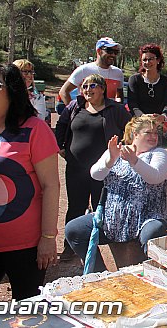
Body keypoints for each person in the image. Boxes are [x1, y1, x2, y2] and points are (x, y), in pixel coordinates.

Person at [0, 63, 60, 312]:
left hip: (25, 247)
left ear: (11, 90)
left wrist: (48, 238)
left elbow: (50, 186)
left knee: (27, 314)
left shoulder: (34, 129)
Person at [65, 115, 167, 272]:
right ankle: (100, 272)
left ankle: (150, 275)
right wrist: (110, 159)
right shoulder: (116, 151)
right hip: (112, 218)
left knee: (151, 236)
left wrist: (134, 161)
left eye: (156, 133)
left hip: (148, 215)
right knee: (73, 230)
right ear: (135, 134)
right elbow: (95, 174)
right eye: (148, 133)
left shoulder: (159, 153)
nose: (154, 137)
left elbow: (155, 177)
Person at [55, 74, 131, 258]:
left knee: (101, 207)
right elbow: (61, 125)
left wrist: (123, 151)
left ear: (103, 89)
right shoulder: (75, 106)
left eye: (93, 85)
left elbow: (130, 130)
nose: (88, 89)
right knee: (75, 206)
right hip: (76, 168)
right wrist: (60, 147)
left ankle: (99, 244)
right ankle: (70, 246)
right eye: (85, 86)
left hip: (105, 170)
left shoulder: (116, 109)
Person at [59, 37, 124, 104]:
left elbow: (119, 96)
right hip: (86, 113)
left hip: (109, 113)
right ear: (99, 51)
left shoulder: (118, 73)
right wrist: (72, 111)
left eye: (116, 52)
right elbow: (63, 92)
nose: (113, 55)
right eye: (109, 51)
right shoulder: (83, 70)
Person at [127, 44, 167, 122]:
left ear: (158, 60)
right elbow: (132, 103)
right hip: (138, 122)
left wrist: (163, 116)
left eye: (151, 59)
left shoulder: (166, 82)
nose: (147, 62)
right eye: (144, 60)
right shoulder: (134, 79)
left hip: (157, 122)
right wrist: (142, 116)